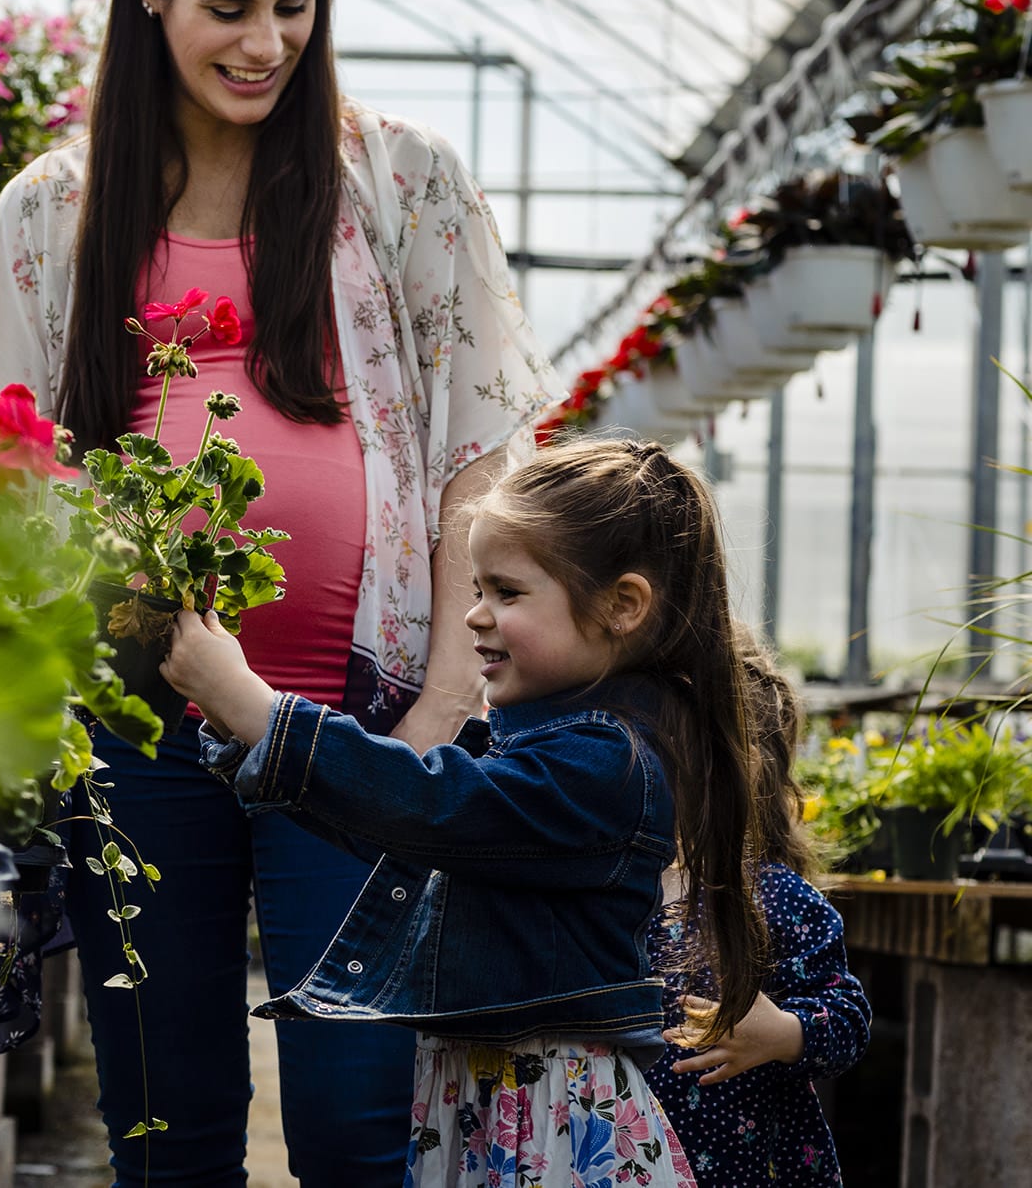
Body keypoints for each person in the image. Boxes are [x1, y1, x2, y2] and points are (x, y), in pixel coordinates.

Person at [0, 0, 557, 1183]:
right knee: (168, 1130)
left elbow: (481, 461)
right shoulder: (54, 211)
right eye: (230, 8)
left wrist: (443, 714)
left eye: (297, 5)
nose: (268, 42)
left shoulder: (401, 182)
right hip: (132, 741)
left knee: (354, 1128)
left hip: (357, 726)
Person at [162, 435, 770, 1187]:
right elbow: (401, 826)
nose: (476, 616)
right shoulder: (546, 747)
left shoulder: (606, 765)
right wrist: (242, 732)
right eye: (477, 588)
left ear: (622, 605)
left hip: (550, 1124)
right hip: (494, 1101)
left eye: (507, 593)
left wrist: (261, 712)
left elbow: (431, 805)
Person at [646, 628, 871, 1184]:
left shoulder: (774, 899)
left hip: (748, 1168)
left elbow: (849, 1019)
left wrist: (784, 1033)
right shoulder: (610, 889)